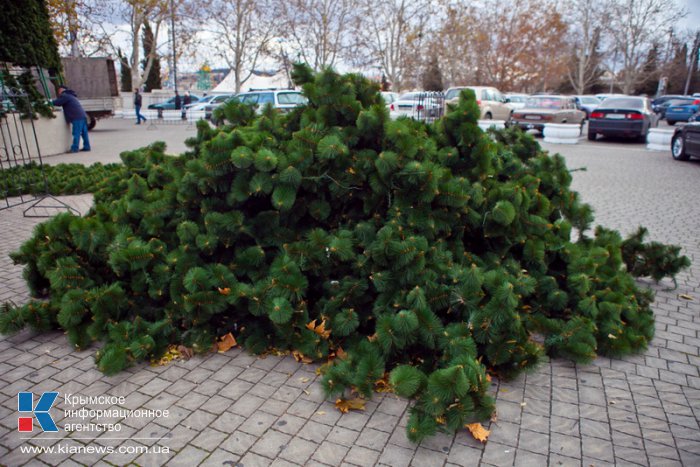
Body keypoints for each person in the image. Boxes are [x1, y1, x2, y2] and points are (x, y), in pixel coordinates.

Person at [52, 85, 90, 153]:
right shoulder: (71, 95)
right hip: (82, 115)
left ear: (61, 90)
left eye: (59, 90)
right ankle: (87, 147)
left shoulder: (65, 95)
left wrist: (48, 103)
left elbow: (57, 103)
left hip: (76, 117)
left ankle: (74, 149)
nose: (58, 92)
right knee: (84, 133)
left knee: (76, 133)